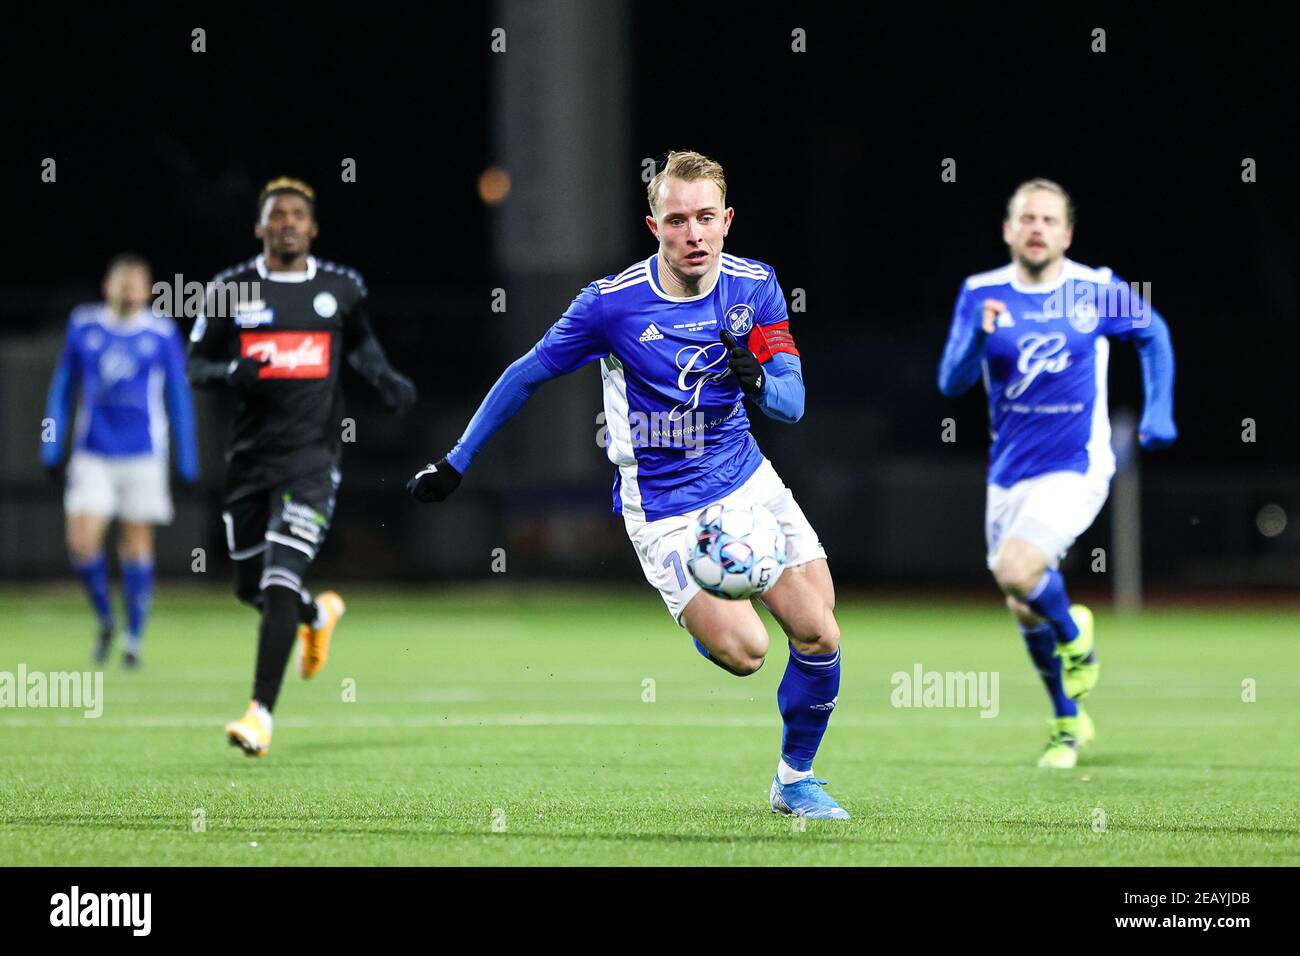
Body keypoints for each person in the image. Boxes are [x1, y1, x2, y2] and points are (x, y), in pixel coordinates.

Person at [408, 151, 848, 818]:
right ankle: (709, 616)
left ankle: (794, 781)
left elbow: (792, 404)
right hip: (666, 507)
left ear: (727, 221)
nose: (694, 234)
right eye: (678, 220)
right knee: (749, 651)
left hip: (748, 481)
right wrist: (457, 460)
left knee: (820, 632)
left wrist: (757, 378)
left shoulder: (754, 285)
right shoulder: (610, 306)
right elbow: (525, 374)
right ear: (654, 227)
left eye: (706, 218)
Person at [938, 178, 1177, 768]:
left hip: (1077, 464)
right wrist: (975, 335)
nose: (1037, 228)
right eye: (1027, 219)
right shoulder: (981, 292)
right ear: (1008, 230)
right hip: (1008, 472)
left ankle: (1076, 637)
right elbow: (951, 381)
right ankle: (1067, 722)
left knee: (1017, 570)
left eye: (1049, 220)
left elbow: (1155, 335)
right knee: (1022, 602)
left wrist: (1159, 410)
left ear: (1066, 233)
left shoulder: (1096, 288)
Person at [187, 176, 417, 757]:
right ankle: (318, 612)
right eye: (276, 214)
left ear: (312, 227)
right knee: (248, 587)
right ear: (259, 227)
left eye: (296, 214)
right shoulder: (229, 289)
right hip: (247, 462)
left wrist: (383, 376)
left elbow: (360, 342)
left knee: (278, 577)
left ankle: (259, 714)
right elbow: (194, 363)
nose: (286, 222)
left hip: (312, 462)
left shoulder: (340, 287)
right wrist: (225, 375)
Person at [43, 253, 198, 667]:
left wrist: (188, 459)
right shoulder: (84, 325)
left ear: (148, 290)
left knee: (135, 546)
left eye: (137, 283)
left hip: (143, 455)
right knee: (81, 542)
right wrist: (50, 443)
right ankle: (107, 618)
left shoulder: (161, 332)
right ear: (106, 286)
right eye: (122, 282)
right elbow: (61, 386)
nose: (129, 290)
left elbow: (178, 396)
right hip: (93, 452)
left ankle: (134, 637)